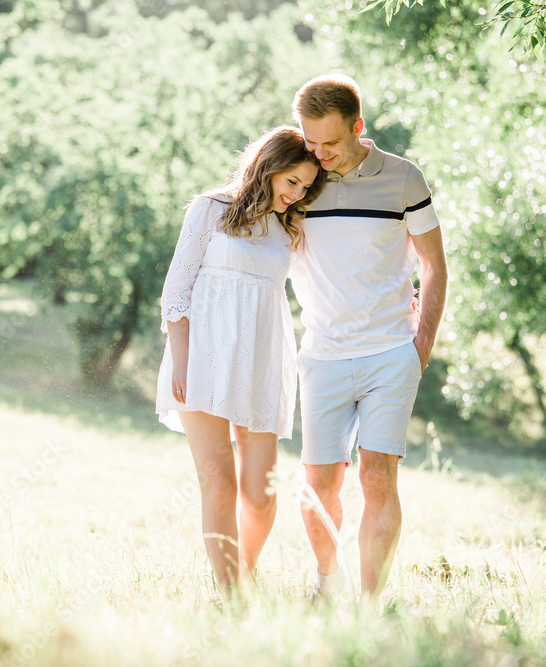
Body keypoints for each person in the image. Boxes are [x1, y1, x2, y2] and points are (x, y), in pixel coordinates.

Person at [290, 74, 449, 602]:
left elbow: (434, 265)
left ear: (358, 127)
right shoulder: (299, 176)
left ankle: (370, 605)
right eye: (310, 142)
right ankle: (326, 582)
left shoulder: (403, 179)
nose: (319, 154)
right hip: (322, 355)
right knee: (319, 486)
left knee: (377, 478)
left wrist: (419, 347)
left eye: (330, 143)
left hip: (389, 355)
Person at [156, 126, 325, 596]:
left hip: (261, 362)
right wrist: (182, 363)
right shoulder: (210, 209)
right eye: (292, 181)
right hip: (202, 359)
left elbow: (326, 277)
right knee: (218, 483)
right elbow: (176, 293)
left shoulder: (289, 227)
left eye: (306, 187)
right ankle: (231, 594)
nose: (296, 194)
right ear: (268, 167)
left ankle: (244, 571)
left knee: (261, 494)